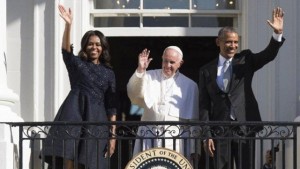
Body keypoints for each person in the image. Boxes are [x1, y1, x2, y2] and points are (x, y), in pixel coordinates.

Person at [198, 7, 285, 169]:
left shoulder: (246, 60)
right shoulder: (206, 70)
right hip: (219, 131)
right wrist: (206, 134)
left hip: (244, 128)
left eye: (236, 42)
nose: (233, 46)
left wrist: (277, 34)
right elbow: (203, 105)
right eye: (228, 42)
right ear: (218, 42)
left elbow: (268, 55)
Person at [42, 4, 117, 169]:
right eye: (90, 44)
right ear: (85, 46)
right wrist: (68, 26)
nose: (94, 47)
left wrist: (113, 137)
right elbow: (66, 51)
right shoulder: (77, 64)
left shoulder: (108, 73)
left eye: (98, 44)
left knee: (91, 161)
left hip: (97, 119)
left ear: (103, 47)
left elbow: (111, 108)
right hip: (74, 114)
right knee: (68, 157)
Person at [127, 46, 199, 161]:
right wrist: (140, 70)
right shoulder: (148, 76)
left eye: (172, 62)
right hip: (149, 135)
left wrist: (194, 150)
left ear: (180, 63)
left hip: (176, 139)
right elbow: (133, 95)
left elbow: (194, 122)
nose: (167, 65)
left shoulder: (190, 86)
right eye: (165, 61)